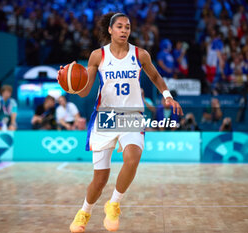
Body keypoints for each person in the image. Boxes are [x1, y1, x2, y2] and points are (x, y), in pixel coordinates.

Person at [59, 12, 183, 233]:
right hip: (105, 116)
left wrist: (167, 96)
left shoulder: (140, 54)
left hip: (131, 115)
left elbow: (155, 77)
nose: (124, 30)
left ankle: (114, 203)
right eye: (119, 26)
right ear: (110, 30)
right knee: (100, 180)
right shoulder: (98, 56)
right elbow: (85, 91)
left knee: (133, 158)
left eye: (127, 27)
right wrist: (70, 83)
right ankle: (84, 212)